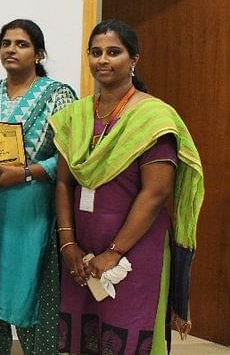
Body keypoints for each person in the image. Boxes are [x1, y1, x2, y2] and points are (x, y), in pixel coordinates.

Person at [49, 20, 204, 354]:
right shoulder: (75, 117)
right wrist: (68, 243)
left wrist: (114, 252)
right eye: (96, 52)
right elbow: (63, 181)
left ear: (134, 59)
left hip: (135, 249)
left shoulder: (153, 118)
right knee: (82, 336)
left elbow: (156, 192)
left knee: (130, 335)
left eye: (113, 52)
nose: (103, 60)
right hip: (81, 248)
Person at [0, 19, 76, 354]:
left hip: (30, 211)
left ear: (39, 54)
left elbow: (69, 158)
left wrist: (25, 173)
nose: (11, 50)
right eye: (6, 43)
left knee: (31, 299)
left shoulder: (58, 95)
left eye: (21, 44)